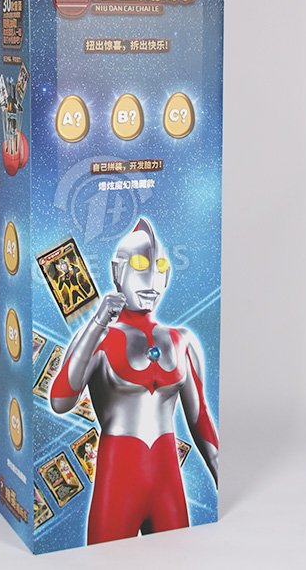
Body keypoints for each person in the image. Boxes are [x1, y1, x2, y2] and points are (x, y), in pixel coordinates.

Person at [50, 219, 218, 544]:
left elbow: (201, 421)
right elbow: (61, 401)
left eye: (160, 268)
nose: (151, 280)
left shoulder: (182, 340)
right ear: (117, 271)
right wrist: (97, 323)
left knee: (178, 560)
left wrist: (219, 473)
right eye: (140, 266)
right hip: (118, 483)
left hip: (167, 484)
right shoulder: (98, 337)